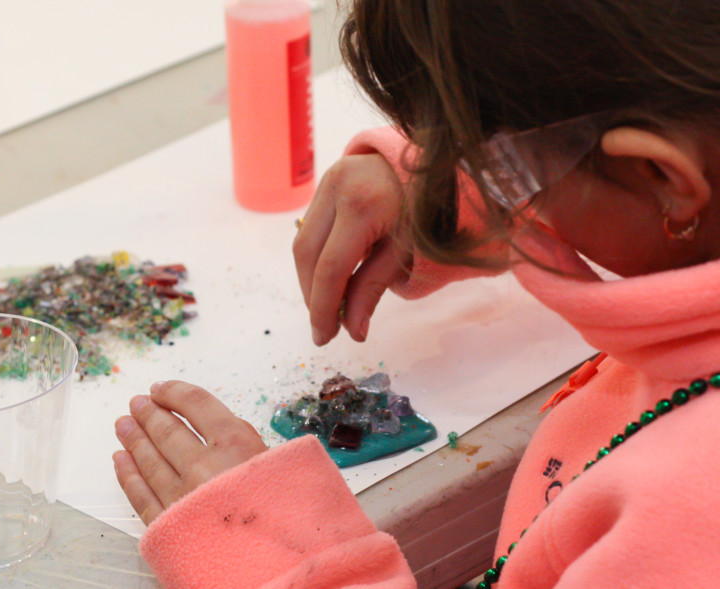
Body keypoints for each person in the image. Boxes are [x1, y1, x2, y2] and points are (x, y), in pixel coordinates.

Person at [113, 1, 720, 587]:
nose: (490, 185)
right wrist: (450, 193)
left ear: (664, 178)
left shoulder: (684, 513)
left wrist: (285, 565)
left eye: (504, 170)